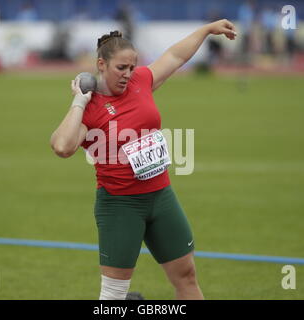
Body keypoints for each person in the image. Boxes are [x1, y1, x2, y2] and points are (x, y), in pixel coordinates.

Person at [50, 20, 237, 300]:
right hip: (120, 204)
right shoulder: (90, 109)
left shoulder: (141, 82)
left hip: (161, 197)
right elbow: (62, 146)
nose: (127, 74)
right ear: (101, 64)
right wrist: (79, 100)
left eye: (131, 67)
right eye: (120, 68)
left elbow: (175, 56)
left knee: (187, 276)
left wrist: (206, 30)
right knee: (113, 295)